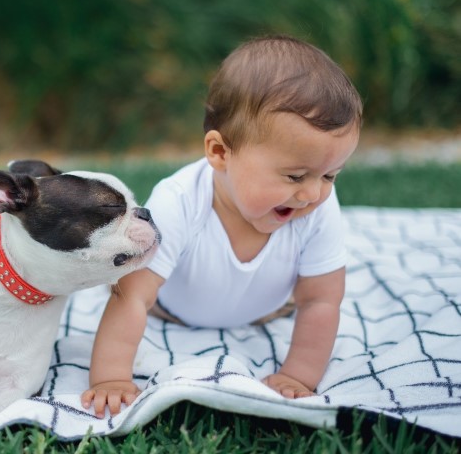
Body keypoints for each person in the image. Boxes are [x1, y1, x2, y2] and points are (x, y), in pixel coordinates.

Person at [81, 35, 363, 418]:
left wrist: (298, 376)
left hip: (269, 309)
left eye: (330, 175)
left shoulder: (316, 208)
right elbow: (132, 297)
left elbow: (321, 300)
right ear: (219, 152)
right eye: (295, 175)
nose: (312, 193)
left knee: (309, 294)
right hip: (172, 309)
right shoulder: (180, 200)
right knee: (124, 280)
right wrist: (110, 378)